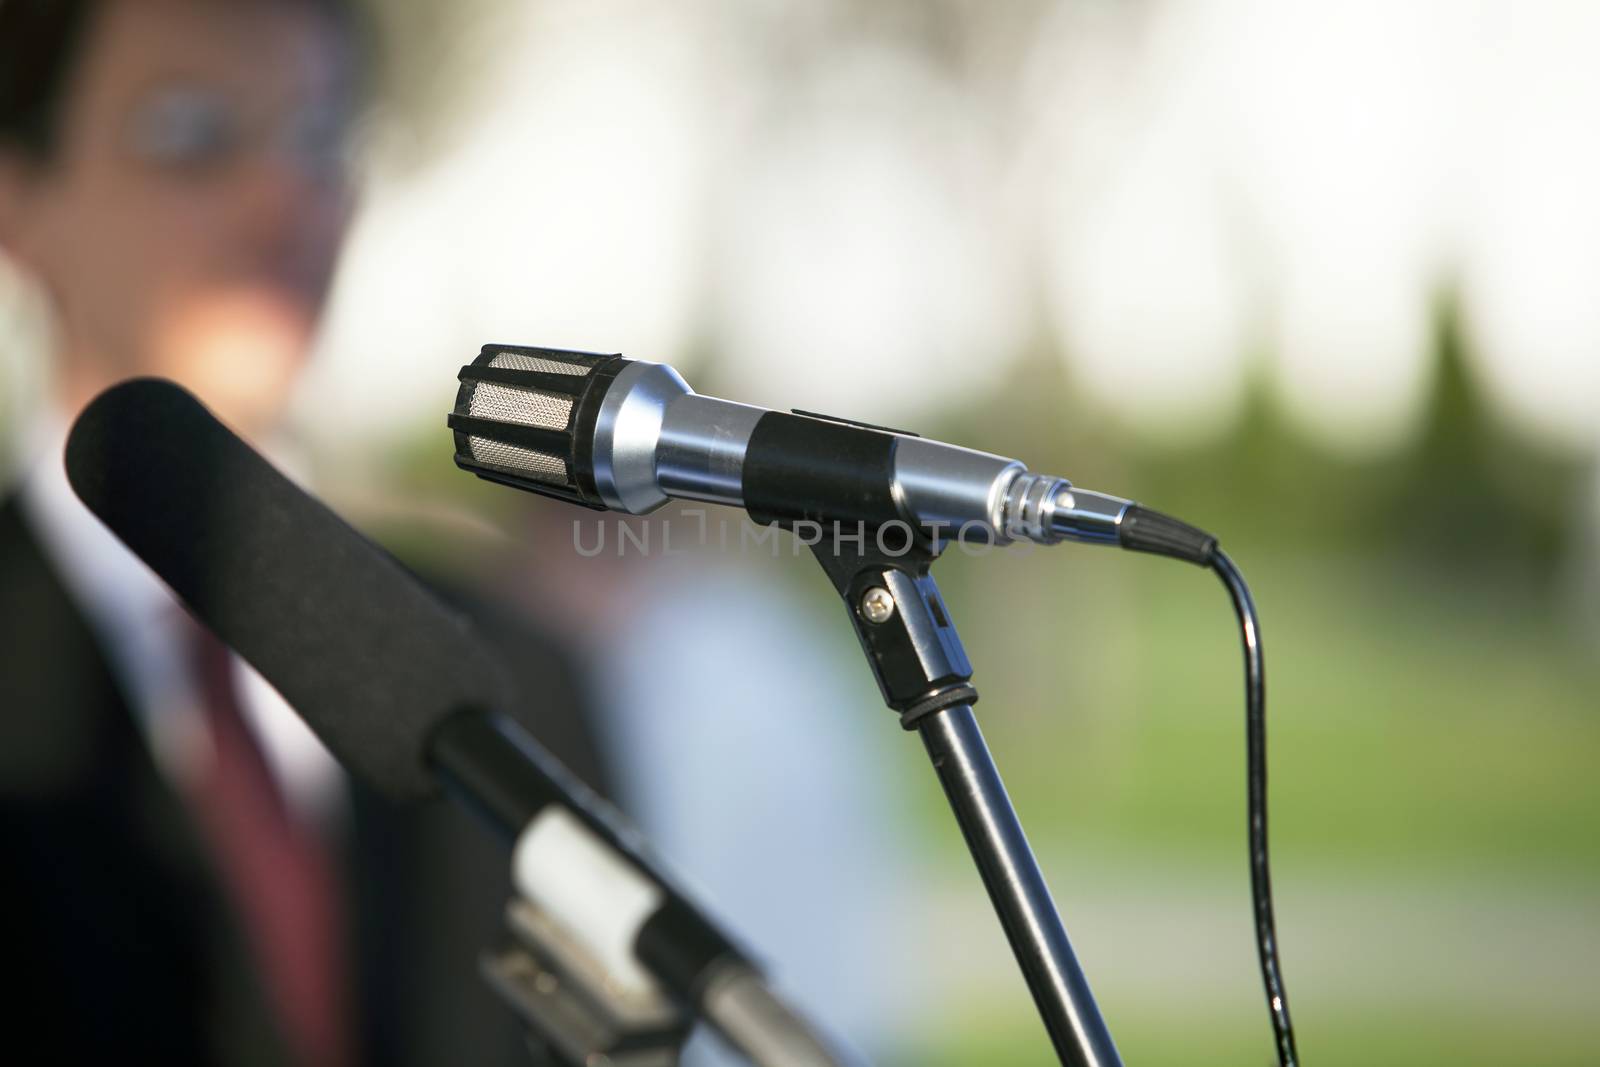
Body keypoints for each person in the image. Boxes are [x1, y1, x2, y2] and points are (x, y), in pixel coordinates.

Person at [0, 2, 605, 1063]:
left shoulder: (511, 682)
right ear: (20, 200)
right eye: (190, 135)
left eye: (320, 139)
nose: (284, 195)